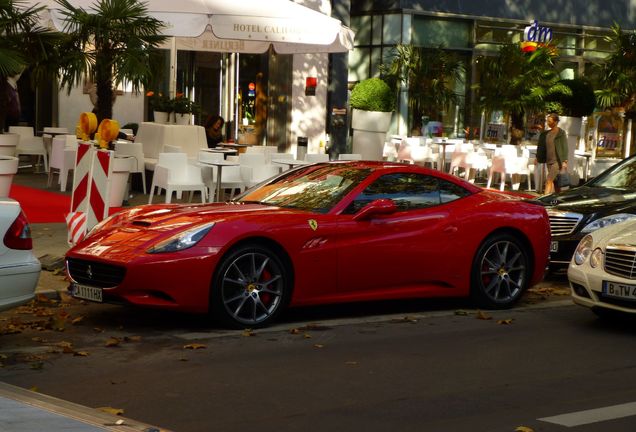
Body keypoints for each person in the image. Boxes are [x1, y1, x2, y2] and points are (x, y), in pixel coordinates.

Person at [536, 113, 568, 195]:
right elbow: (541, 146)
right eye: (547, 121)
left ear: (556, 122)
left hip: (557, 161)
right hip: (548, 160)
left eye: (550, 121)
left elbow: (564, 146)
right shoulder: (546, 133)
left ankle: (544, 199)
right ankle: (557, 197)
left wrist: (565, 161)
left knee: (548, 180)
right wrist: (538, 157)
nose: (548, 123)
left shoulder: (561, 133)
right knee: (555, 181)